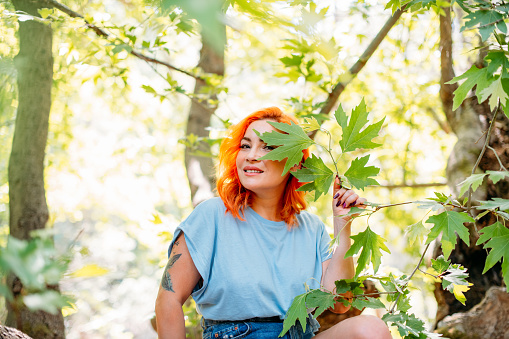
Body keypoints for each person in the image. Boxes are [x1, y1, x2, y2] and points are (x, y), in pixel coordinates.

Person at [155, 107, 392, 339]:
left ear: (296, 163)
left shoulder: (312, 228)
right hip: (236, 335)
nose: (251, 155)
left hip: (302, 334)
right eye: (246, 145)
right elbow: (169, 299)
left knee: (371, 329)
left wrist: (343, 226)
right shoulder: (211, 216)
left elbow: (340, 304)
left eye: (267, 146)